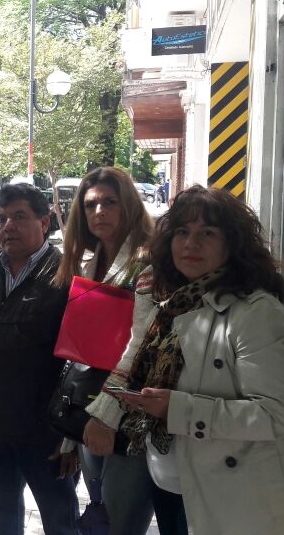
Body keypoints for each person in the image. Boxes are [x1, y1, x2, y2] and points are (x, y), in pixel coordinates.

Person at [103, 185, 284, 534]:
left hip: (233, 497)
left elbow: (275, 416)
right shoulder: (173, 305)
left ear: (233, 244)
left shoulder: (256, 313)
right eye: (182, 232)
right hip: (171, 483)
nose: (191, 243)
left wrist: (178, 410)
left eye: (208, 233)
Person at [52, 167, 186, 535]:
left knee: (119, 524)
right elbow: (82, 354)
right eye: (90, 204)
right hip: (89, 408)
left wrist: (106, 417)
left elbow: (142, 345)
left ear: (129, 205)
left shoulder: (148, 262)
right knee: (99, 515)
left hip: (129, 414)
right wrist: (71, 435)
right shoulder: (90, 264)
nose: (99, 212)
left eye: (110, 202)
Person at [0, 183, 80, 535]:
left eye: (19, 217)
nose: (8, 226)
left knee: (60, 521)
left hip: (44, 430)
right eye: (0, 219)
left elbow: (82, 361)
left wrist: (72, 436)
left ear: (44, 222)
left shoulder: (68, 276)